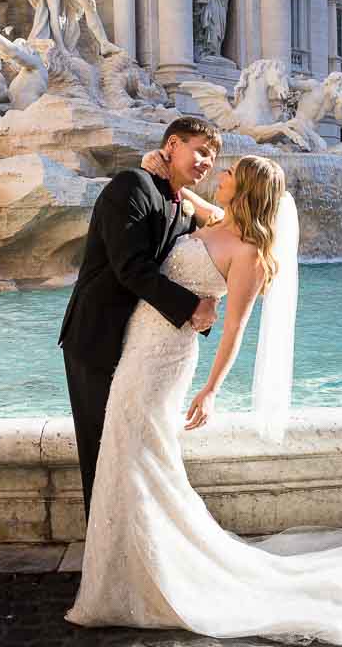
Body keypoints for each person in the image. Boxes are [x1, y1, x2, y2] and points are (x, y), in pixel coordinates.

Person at [64, 154, 342, 645]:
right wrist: (153, 164)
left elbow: (236, 330)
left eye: (230, 175)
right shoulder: (216, 218)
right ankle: (126, 569)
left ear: (246, 189)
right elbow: (177, 195)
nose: (220, 176)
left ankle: (147, 575)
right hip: (138, 344)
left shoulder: (252, 256)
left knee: (139, 452)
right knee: (127, 453)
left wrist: (212, 390)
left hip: (165, 361)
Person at [57, 117, 222, 518]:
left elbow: (213, 232)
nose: (206, 162)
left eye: (213, 158)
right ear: (171, 145)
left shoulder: (181, 205)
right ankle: (105, 550)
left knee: (132, 450)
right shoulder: (131, 186)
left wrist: (209, 300)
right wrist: (193, 307)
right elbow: (130, 267)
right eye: (200, 150)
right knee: (102, 451)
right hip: (97, 337)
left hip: (144, 345)